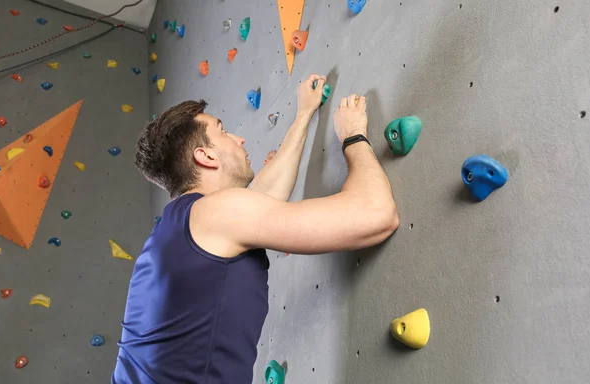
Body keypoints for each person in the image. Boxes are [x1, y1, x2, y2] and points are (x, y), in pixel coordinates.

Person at [112, 74, 399, 383]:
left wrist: (303, 115)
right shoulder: (215, 214)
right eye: (222, 131)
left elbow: (262, 198)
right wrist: (353, 136)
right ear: (206, 156)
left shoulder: (178, 227)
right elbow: (377, 213)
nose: (240, 139)